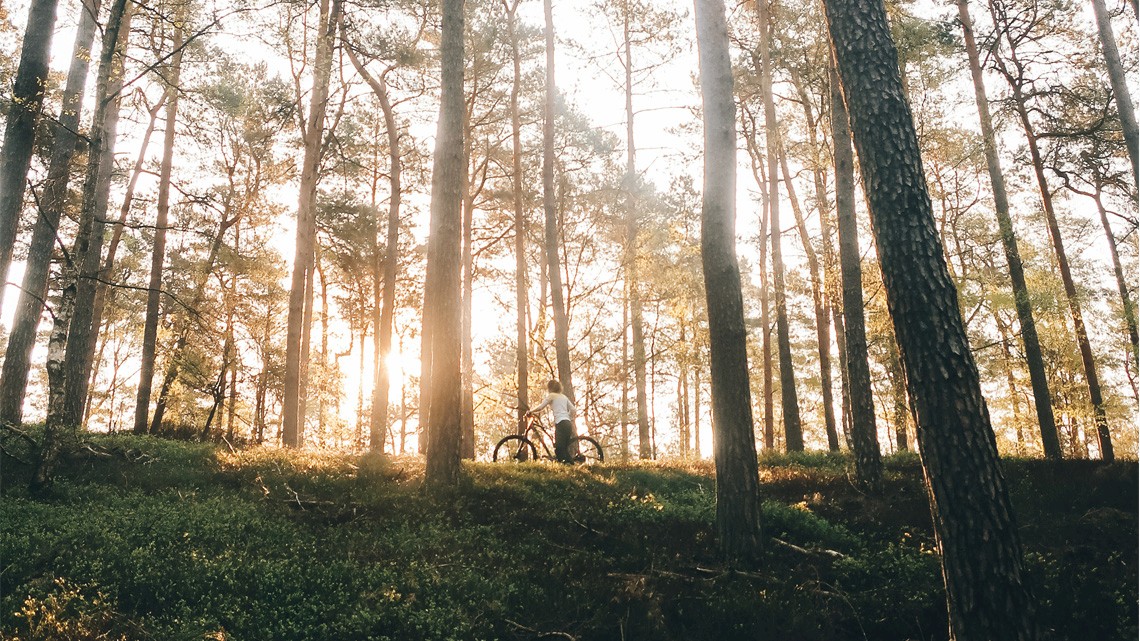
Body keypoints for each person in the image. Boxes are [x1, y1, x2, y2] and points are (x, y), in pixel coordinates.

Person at [527, 380, 576, 463]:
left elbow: (540, 407)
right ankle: (568, 464)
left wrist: (531, 411)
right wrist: (569, 417)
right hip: (567, 423)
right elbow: (573, 410)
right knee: (563, 448)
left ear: (550, 388)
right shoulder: (564, 397)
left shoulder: (552, 396)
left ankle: (568, 465)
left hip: (560, 423)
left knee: (559, 448)